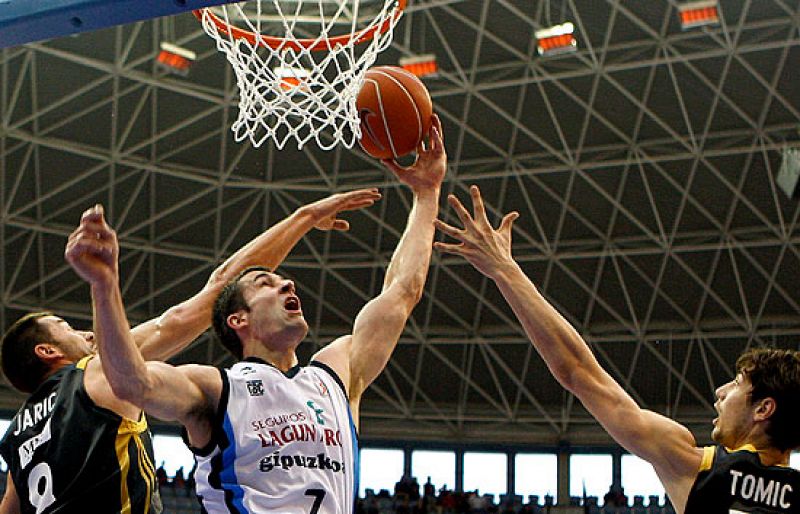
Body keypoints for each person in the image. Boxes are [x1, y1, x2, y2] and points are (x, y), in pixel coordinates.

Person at [68, 116, 447, 513]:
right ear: (238, 320)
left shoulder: (337, 373)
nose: (288, 285)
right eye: (266, 283)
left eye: (285, 282)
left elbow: (403, 291)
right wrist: (104, 286)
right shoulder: (214, 389)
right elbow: (132, 383)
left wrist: (426, 194)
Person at [0, 187, 381, 514]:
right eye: (69, 329)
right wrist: (304, 218)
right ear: (47, 351)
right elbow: (215, 293)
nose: (86, 333)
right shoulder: (95, 372)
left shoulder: (16, 440)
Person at [433, 185, 800, 514]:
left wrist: (504, 270)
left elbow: (577, 371)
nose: (720, 394)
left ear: (764, 408)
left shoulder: (693, 465)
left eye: (736, 384)